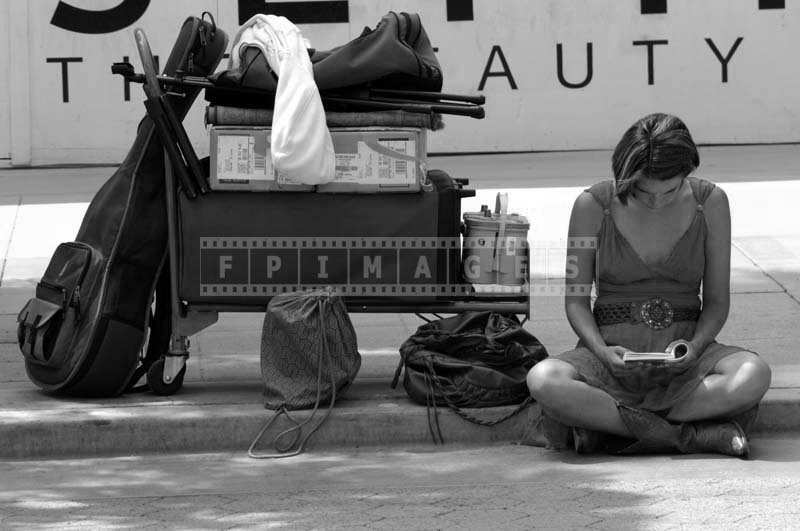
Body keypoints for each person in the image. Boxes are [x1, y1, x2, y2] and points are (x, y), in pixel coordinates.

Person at [526, 113, 772, 458]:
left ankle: (619, 431)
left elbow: (716, 301)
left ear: (687, 172)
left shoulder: (710, 202)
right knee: (543, 379)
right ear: (625, 175)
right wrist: (600, 351)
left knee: (753, 373)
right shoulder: (592, 205)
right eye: (642, 191)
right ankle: (688, 437)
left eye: (669, 191)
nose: (656, 201)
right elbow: (576, 302)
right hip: (611, 356)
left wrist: (696, 347)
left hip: (685, 356)